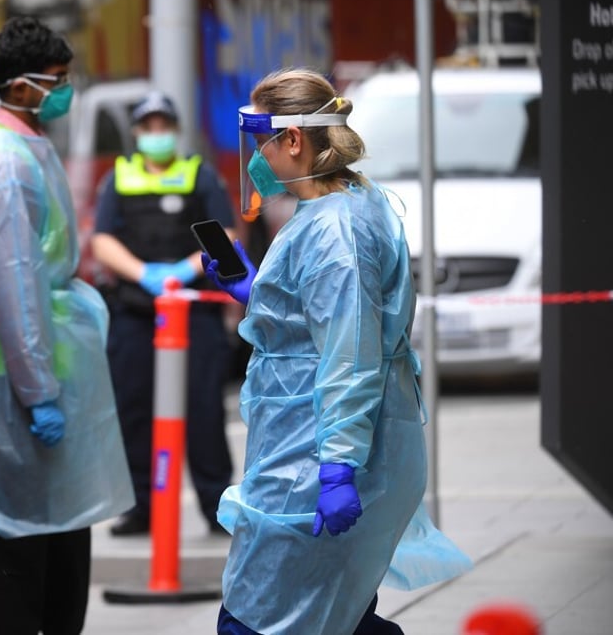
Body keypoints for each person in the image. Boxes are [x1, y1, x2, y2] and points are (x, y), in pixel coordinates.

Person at [202, 68, 472, 634]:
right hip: (303, 444)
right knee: (334, 615)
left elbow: (349, 357)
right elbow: (320, 321)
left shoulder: (336, 232)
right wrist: (258, 295)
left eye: (260, 142)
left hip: (313, 457)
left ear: (293, 140)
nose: (256, 158)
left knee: (257, 620)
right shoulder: (339, 208)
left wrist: (337, 468)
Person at [0, 16, 134, 635]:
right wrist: (39, 392)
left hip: (47, 356)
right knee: (25, 540)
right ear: (21, 88)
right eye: (58, 81)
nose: (65, 92)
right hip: (25, 372)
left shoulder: (20, 146)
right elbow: (18, 287)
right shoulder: (4, 167)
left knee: (62, 530)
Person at [90, 91, 235, 536]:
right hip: (136, 314)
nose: (156, 134)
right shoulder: (119, 178)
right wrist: (144, 274)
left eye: (163, 126)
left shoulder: (199, 177)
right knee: (134, 411)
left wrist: (183, 272)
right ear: (136, 133)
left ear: (174, 129)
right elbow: (102, 240)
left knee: (204, 410)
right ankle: (140, 508)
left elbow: (224, 235)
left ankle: (216, 507)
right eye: (148, 127)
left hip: (194, 314)